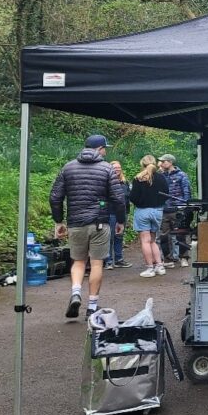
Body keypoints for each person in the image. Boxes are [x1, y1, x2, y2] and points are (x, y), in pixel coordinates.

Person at [50, 134, 126, 319]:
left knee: (78, 261)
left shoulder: (68, 167)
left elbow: (55, 197)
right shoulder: (107, 168)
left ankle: (76, 292)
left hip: (76, 223)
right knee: (97, 263)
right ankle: (92, 307)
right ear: (99, 149)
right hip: (99, 223)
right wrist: (121, 221)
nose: (105, 151)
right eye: (105, 148)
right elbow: (118, 198)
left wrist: (59, 221)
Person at [128, 155, 170, 278]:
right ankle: (160, 266)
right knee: (153, 240)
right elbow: (166, 194)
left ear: (142, 164)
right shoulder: (161, 177)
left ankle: (150, 268)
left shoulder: (138, 178)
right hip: (157, 211)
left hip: (142, 211)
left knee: (145, 241)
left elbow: (133, 197)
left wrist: (140, 202)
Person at [158, 153, 191, 268]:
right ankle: (168, 259)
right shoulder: (160, 176)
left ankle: (184, 258)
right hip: (164, 209)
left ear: (170, 162)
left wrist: (185, 206)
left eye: (164, 161)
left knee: (181, 234)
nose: (161, 164)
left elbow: (187, 191)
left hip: (178, 209)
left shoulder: (182, 175)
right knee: (164, 236)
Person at [105, 161, 133, 269]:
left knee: (119, 236)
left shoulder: (125, 182)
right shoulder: (106, 182)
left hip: (123, 213)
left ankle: (119, 259)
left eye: (119, 167)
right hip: (111, 213)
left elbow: (128, 197)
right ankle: (108, 261)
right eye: (115, 167)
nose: (117, 169)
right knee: (109, 237)